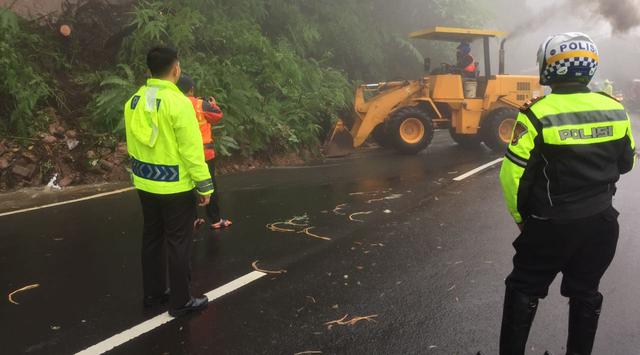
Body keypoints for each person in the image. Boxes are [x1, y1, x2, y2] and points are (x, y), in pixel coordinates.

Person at [497, 32, 636, 354]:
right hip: (602, 223)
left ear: (548, 68)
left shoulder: (535, 113)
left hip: (550, 225)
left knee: (524, 286)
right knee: (586, 291)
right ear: (590, 67)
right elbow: (626, 163)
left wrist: (520, 218)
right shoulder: (615, 110)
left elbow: (513, 176)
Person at [124, 47, 214, 317]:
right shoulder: (179, 104)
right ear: (176, 69)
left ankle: (153, 295)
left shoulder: (134, 101)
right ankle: (181, 301)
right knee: (178, 242)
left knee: (152, 237)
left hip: (144, 183)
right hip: (175, 186)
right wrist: (204, 185)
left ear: (148, 70)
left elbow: (134, 143)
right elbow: (191, 149)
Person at [177, 74, 233, 230]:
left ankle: (192, 219)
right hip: (204, 153)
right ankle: (215, 219)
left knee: (187, 186)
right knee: (210, 185)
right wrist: (214, 105)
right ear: (192, 89)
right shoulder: (200, 104)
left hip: (182, 154)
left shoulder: (174, 104)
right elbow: (217, 116)